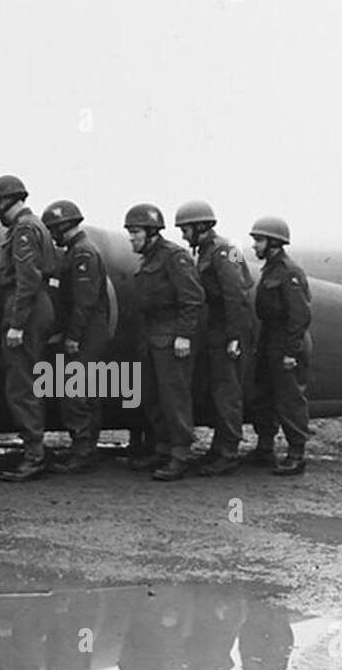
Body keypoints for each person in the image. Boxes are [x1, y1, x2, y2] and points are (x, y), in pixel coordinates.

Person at [0, 175, 60, 482]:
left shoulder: (25, 229)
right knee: (25, 381)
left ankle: (34, 456)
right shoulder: (33, 226)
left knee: (22, 384)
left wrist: (17, 324)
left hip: (25, 308)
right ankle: (34, 449)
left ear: (8, 201)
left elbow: (27, 279)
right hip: (32, 306)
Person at [125, 203, 204, 482]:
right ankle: (161, 448)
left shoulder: (174, 257)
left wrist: (184, 335)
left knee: (174, 398)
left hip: (171, 337)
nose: (131, 238)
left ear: (151, 232)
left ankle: (180, 454)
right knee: (152, 396)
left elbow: (192, 299)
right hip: (151, 336)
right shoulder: (148, 259)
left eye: (135, 232)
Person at [175, 200, 253, 476]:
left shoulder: (223, 251)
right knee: (219, 388)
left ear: (200, 227)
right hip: (216, 328)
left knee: (227, 391)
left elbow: (236, 295)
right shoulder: (208, 251)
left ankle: (228, 453)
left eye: (186, 229)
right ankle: (219, 449)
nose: (183, 235)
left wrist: (233, 337)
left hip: (227, 328)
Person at [41, 200, 109, 473]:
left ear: (62, 228)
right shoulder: (76, 251)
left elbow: (85, 303)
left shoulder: (83, 254)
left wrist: (73, 337)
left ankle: (83, 452)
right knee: (86, 391)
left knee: (76, 392)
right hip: (88, 333)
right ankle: (86, 448)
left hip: (86, 334)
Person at [247, 216, 312, 475]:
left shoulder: (289, 272)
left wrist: (290, 352)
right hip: (270, 338)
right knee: (263, 394)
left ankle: (297, 454)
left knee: (289, 399)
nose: (254, 246)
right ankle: (265, 447)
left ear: (274, 243)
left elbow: (300, 315)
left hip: (286, 339)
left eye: (259, 240)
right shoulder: (271, 269)